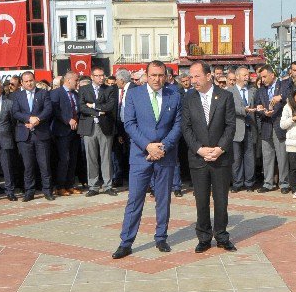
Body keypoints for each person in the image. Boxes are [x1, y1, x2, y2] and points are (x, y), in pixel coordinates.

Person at [114, 60, 182, 259]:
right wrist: (148, 146)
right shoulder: (134, 94)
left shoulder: (174, 96)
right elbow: (129, 124)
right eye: (153, 75)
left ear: (166, 76)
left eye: (160, 75)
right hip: (140, 156)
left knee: (163, 200)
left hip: (165, 155)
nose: (157, 79)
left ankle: (161, 237)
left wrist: (163, 146)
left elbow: (177, 126)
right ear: (146, 75)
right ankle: (126, 242)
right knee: (134, 200)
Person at [180, 62, 237, 252]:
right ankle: (204, 237)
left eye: (197, 76)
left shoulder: (225, 96)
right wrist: (199, 149)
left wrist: (220, 148)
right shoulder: (188, 98)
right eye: (191, 76)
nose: (193, 80)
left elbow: (230, 126)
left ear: (208, 76)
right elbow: (185, 128)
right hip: (199, 157)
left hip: (220, 157)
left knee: (221, 200)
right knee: (201, 200)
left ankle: (221, 235)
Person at [12, 71, 55, 202]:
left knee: (44, 164)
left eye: (31, 80)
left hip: (41, 134)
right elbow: (15, 112)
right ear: (22, 83)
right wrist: (29, 118)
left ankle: (47, 190)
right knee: (28, 165)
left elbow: (48, 109)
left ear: (34, 80)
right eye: (26, 81)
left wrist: (38, 120)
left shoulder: (43, 93)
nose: (29, 83)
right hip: (24, 135)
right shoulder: (17, 95)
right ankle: (29, 191)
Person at [78, 68, 118, 197]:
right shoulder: (84, 89)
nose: (101, 78)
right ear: (92, 76)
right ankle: (93, 186)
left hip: (105, 126)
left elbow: (110, 106)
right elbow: (82, 107)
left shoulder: (109, 89)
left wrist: (93, 106)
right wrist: (98, 112)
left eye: (102, 75)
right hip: (89, 127)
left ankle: (108, 185)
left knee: (106, 157)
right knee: (91, 157)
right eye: (98, 76)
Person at [254, 65, 290, 193]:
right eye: (261, 77)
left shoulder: (284, 85)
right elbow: (257, 106)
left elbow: (291, 96)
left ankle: (284, 183)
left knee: (282, 156)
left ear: (272, 75)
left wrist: (281, 97)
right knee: (267, 156)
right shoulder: (261, 90)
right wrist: (262, 111)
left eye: (264, 76)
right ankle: (268, 183)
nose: (262, 79)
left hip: (279, 125)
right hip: (266, 125)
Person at [50, 71, 82, 196]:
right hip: (62, 131)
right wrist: (67, 119)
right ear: (68, 80)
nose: (77, 82)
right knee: (64, 159)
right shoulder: (56, 93)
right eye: (76, 80)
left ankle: (70, 185)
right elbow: (55, 110)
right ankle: (60, 186)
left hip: (75, 132)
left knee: (73, 159)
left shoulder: (75, 94)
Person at [229, 66, 258, 192]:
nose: (247, 77)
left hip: (250, 128)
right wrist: (244, 110)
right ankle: (237, 183)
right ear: (237, 76)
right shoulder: (229, 92)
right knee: (236, 158)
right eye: (245, 75)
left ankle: (249, 183)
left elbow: (257, 105)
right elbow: (229, 109)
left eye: (248, 75)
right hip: (236, 129)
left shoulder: (253, 90)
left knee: (249, 157)